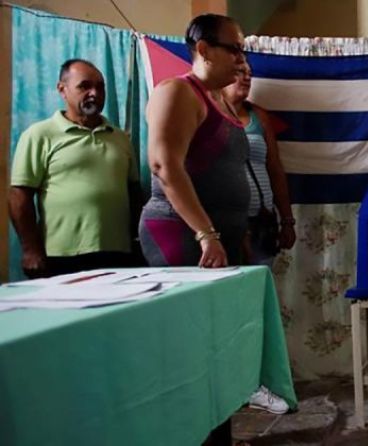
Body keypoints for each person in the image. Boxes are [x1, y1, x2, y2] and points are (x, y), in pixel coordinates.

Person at [138, 14, 287, 437]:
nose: (242, 58)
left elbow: (227, 171)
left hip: (220, 236)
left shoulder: (221, 101)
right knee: (187, 353)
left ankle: (217, 435)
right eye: (234, 48)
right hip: (178, 235)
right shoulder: (177, 92)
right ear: (203, 49)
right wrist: (206, 233)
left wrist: (233, 230)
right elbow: (165, 166)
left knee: (216, 351)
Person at [9, 59, 141, 278]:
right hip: (61, 256)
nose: (94, 93)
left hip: (118, 254)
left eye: (100, 87)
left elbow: (134, 193)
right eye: (84, 86)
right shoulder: (40, 135)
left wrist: (138, 243)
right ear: (62, 89)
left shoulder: (120, 138)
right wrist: (30, 250)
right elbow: (19, 196)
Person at [222, 65, 296, 265]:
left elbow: (275, 169)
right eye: (239, 73)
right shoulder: (208, 114)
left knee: (262, 284)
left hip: (263, 223)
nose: (246, 78)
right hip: (229, 226)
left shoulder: (259, 116)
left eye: (249, 74)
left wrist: (287, 220)